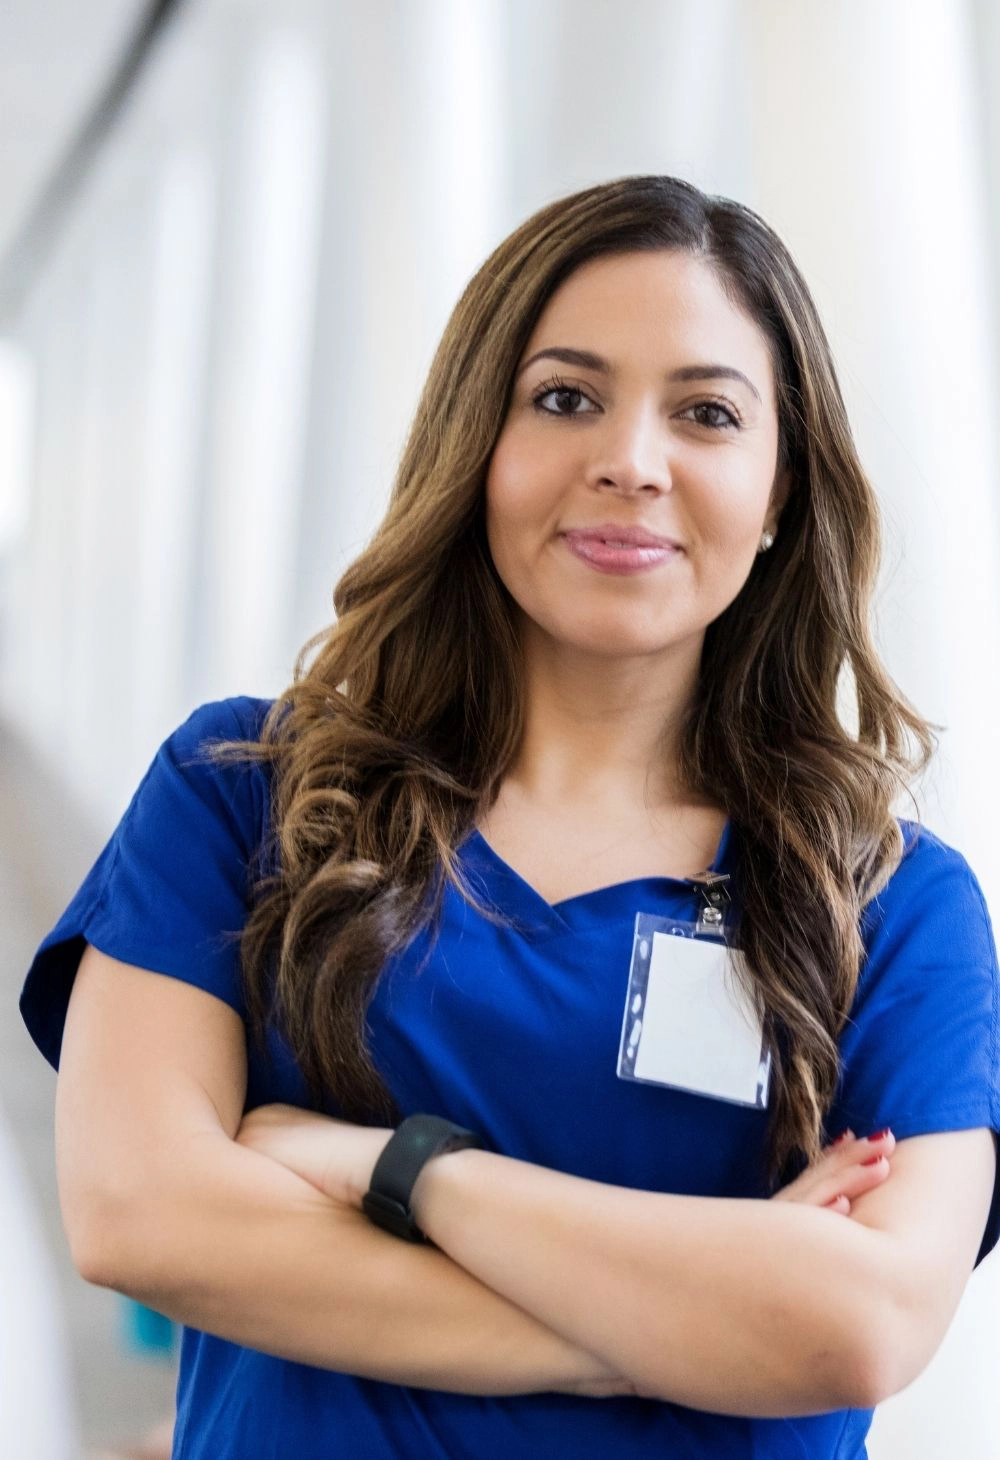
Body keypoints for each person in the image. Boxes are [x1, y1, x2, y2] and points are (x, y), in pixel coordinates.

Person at [20, 174, 1000, 1459]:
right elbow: (139, 1213)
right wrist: (672, 1332)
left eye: (706, 413)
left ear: (777, 494)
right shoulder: (247, 792)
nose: (630, 462)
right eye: (565, 397)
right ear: (473, 444)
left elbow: (858, 1324)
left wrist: (405, 1170)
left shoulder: (884, 903)